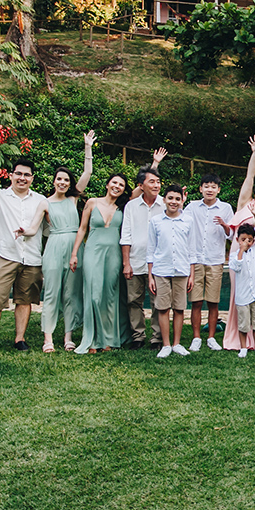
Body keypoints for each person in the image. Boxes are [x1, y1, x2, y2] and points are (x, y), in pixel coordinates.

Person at [0, 133, 47, 358]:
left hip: (31, 258)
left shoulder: (40, 200)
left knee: (25, 300)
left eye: (27, 175)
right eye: (19, 174)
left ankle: (19, 338)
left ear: (32, 178)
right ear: (11, 176)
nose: (22, 178)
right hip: (5, 256)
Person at [31, 131, 95, 352]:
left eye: (66, 180)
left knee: (71, 293)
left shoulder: (73, 199)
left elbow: (88, 171)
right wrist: (24, 231)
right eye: (59, 179)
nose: (63, 182)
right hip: (54, 247)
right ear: (54, 181)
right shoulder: (44, 202)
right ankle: (48, 337)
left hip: (75, 248)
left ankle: (68, 336)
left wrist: (88, 146)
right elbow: (34, 227)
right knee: (51, 292)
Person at [220, 136, 255, 353]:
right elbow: (249, 176)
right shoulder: (244, 204)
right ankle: (239, 338)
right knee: (239, 295)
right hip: (239, 257)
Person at [69, 174, 128, 354]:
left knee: (110, 296)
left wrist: (155, 163)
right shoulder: (92, 202)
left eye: (121, 185)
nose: (117, 186)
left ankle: (109, 339)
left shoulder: (123, 207)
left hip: (114, 254)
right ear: (107, 184)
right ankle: (93, 339)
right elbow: (82, 229)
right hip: (93, 252)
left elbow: (144, 186)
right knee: (94, 295)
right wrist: (74, 254)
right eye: (114, 182)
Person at [184, 173, 233, 352]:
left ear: (218, 190)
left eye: (213, 186)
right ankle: (196, 337)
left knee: (213, 301)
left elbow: (232, 234)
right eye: (206, 186)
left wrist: (224, 225)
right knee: (196, 301)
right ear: (201, 189)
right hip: (195, 260)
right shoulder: (192, 207)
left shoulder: (226, 208)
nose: (210, 189)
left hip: (215, 259)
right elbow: (181, 223)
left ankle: (211, 337)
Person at [147, 185, 197, 357]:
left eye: (177, 199)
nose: (173, 202)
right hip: (161, 270)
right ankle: (166, 345)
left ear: (182, 200)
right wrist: (150, 276)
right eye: (170, 198)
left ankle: (176, 343)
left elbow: (192, 249)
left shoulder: (189, 221)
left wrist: (192, 274)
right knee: (162, 308)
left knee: (179, 308)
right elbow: (151, 250)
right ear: (164, 200)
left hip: (182, 270)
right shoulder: (156, 221)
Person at [119, 166, 165, 351]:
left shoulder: (165, 204)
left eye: (158, 182)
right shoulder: (131, 206)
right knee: (134, 300)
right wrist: (126, 263)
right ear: (141, 185)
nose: (156, 185)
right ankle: (138, 335)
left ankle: (157, 337)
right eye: (151, 181)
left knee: (157, 301)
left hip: (159, 263)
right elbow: (126, 235)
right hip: (136, 260)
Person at [227, 216, 255, 358]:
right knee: (243, 323)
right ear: (238, 239)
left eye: (250, 240)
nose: (246, 242)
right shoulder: (234, 256)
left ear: (253, 241)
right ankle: (243, 347)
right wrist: (241, 250)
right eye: (243, 239)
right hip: (243, 295)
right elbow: (237, 267)